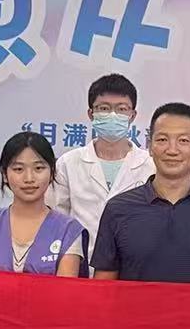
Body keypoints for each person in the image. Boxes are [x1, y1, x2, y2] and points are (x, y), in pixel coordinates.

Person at [91, 104, 190, 283]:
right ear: (149, 146)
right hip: (133, 303)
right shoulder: (118, 208)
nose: (172, 150)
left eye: (183, 141)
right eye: (162, 140)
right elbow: (103, 286)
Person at [54, 74, 155, 263]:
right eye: (104, 108)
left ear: (133, 115)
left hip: (134, 267)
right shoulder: (68, 163)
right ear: (91, 114)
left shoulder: (151, 165)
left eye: (121, 109)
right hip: (80, 265)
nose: (112, 115)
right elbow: (58, 220)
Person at [0, 131, 86, 276]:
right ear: (5, 174)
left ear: (52, 172)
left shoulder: (68, 231)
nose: (29, 178)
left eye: (38, 168)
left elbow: (65, 288)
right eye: (18, 169)